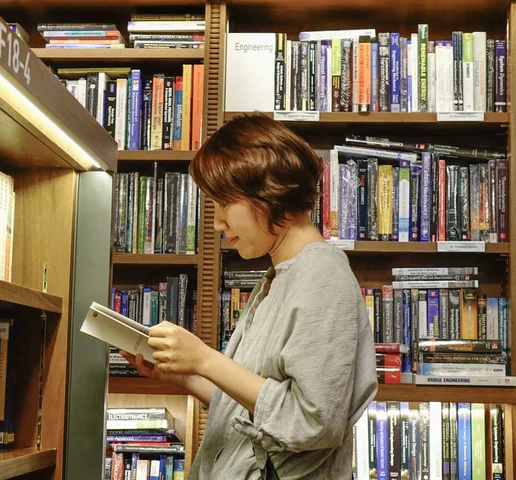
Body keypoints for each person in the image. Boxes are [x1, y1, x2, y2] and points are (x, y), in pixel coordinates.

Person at [120, 112, 378, 479]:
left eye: (224, 204)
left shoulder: (322, 274)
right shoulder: (280, 275)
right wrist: (184, 374)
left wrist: (206, 360)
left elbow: (312, 422)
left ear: (269, 194)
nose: (217, 222)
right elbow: (260, 408)